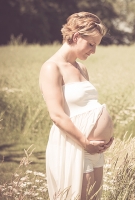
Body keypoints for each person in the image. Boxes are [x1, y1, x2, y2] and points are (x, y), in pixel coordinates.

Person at [39, 12, 114, 200]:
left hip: (92, 149)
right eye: (91, 44)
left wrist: (104, 137)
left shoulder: (82, 68)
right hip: (75, 146)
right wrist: (85, 142)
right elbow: (57, 115)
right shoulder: (52, 67)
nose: (94, 51)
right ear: (76, 36)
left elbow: (88, 106)